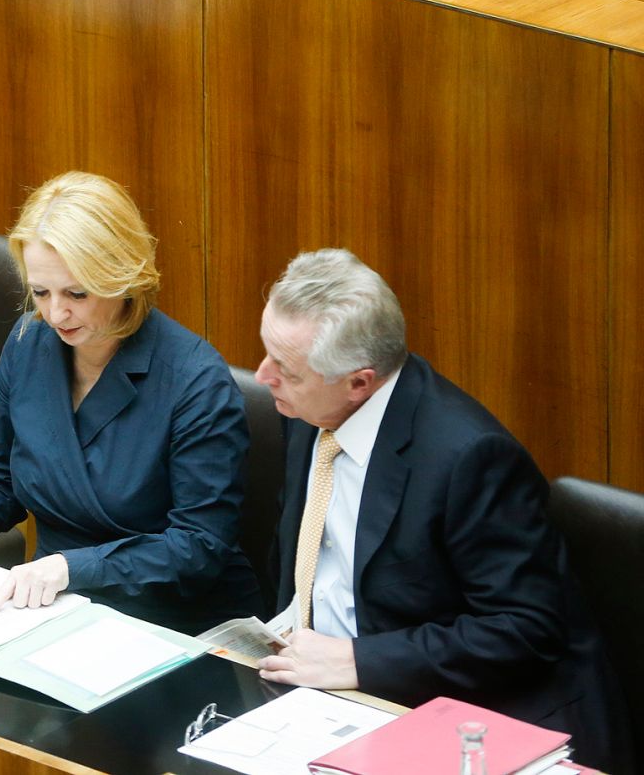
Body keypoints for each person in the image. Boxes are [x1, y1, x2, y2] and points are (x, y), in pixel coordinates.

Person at [255, 249, 631, 772]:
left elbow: (524, 629)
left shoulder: (468, 457)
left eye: (286, 368)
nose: (263, 374)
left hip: (468, 717)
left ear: (359, 382)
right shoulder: (307, 406)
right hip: (323, 698)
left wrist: (359, 661)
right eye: (267, 352)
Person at [0, 172, 262, 633]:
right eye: (41, 291)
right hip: (53, 605)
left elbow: (198, 546)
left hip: (174, 621)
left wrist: (70, 568)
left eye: (77, 293)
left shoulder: (196, 383)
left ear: (123, 276)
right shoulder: (29, 343)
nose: (55, 314)